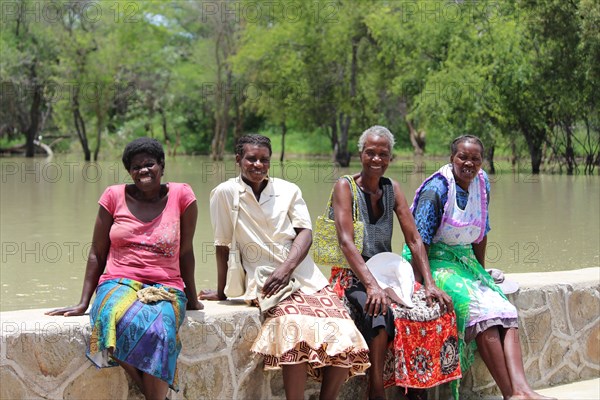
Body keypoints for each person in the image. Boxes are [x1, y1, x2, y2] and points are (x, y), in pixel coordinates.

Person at [200, 134, 370, 400]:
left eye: (264, 159)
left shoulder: (288, 190)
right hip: (264, 278)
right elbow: (222, 245)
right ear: (238, 160)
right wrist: (222, 292)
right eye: (251, 159)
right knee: (292, 326)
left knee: (345, 330)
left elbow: (305, 234)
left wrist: (287, 268)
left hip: (304, 274)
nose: (258, 164)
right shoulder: (224, 193)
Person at [46, 137, 203, 400]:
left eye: (149, 164)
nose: (143, 170)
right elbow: (97, 251)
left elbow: (186, 252)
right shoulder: (112, 196)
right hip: (116, 282)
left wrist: (194, 299)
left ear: (162, 166)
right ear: (129, 171)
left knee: (160, 331)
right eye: (136, 166)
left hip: (165, 287)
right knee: (111, 319)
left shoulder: (182, 195)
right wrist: (83, 302)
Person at [405, 134, 553, 400]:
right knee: (479, 309)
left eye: (475, 158)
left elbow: (481, 231)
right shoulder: (436, 189)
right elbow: (418, 241)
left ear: (482, 161)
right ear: (452, 158)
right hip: (433, 261)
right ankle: (511, 394)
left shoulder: (482, 184)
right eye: (463, 157)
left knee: (505, 308)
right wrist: (425, 284)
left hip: (463, 260)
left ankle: (524, 389)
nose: (469, 164)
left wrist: (481, 272)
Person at [328, 126, 457, 400]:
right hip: (352, 274)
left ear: (390, 158)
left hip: (385, 273)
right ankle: (375, 390)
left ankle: (416, 387)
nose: (377, 159)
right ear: (360, 154)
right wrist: (372, 286)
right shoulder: (345, 187)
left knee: (433, 307)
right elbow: (346, 243)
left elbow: (414, 239)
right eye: (370, 153)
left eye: (383, 154)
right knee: (379, 311)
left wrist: (429, 283)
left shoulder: (392, 188)